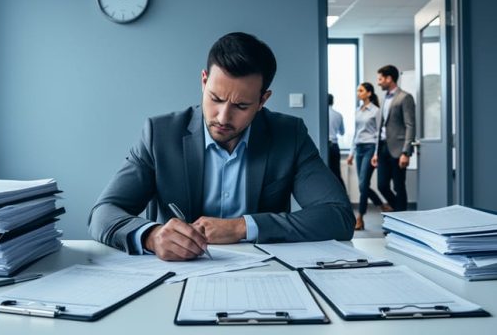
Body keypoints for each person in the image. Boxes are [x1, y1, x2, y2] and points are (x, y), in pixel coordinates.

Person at [88, 32, 354, 261]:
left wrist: (242, 227)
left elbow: (338, 217)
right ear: (204, 81)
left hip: (263, 276)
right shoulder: (160, 134)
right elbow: (103, 214)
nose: (223, 117)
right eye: (215, 98)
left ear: (263, 100)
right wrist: (152, 236)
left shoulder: (289, 135)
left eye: (241, 106)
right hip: (175, 276)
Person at [346, 82, 391, 231]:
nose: (358, 92)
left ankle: (360, 218)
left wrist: (376, 153)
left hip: (370, 148)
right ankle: (381, 204)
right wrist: (351, 153)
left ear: (369, 93)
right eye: (357, 90)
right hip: (359, 148)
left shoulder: (376, 111)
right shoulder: (357, 110)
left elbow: (379, 134)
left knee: (363, 184)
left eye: (361, 90)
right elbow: (356, 133)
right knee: (362, 184)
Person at [371, 65, 415, 212]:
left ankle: (399, 221)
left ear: (389, 78)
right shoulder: (384, 99)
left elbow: (410, 125)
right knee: (381, 185)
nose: (378, 82)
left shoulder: (405, 97)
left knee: (399, 186)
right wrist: (376, 152)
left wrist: (406, 152)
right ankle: (399, 214)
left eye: (380, 79)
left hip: (398, 149)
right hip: (383, 148)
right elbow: (381, 127)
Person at [328, 94, 345, 188]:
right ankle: (344, 197)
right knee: (337, 173)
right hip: (334, 146)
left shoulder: (320, 114)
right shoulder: (338, 115)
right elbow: (342, 132)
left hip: (324, 145)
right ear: (332, 101)